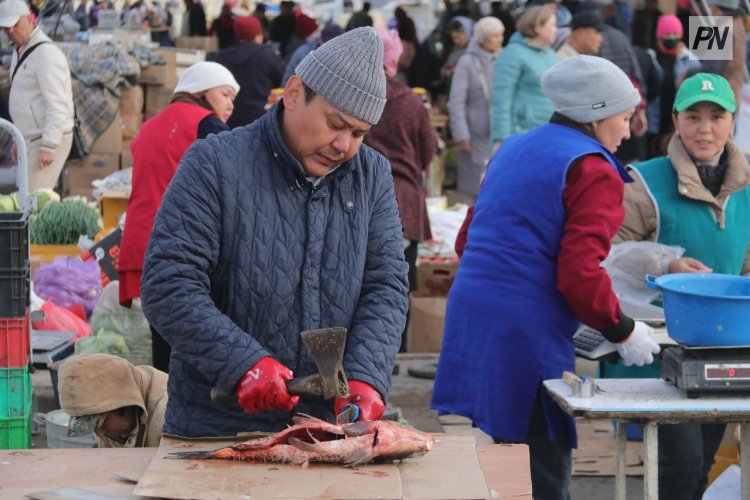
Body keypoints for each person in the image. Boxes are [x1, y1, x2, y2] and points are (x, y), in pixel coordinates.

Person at [140, 27, 409, 437]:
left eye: (359, 133)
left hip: (327, 432)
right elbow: (168, 285)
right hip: (217, 428)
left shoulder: (370, 175)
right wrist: (241, 363)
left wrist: (366, 375)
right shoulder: (215, 164)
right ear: (295, 92)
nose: (344, 146)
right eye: (336, 124)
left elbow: (386, 285)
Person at [431, 55, 660, 499]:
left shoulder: (513, 147)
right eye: (625, 117)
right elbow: (578, 274)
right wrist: (621, 328)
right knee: (544, 465)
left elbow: (468, 240)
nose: (629, 131)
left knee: (504, 450)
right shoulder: (592, 169)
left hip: (474, 315)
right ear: (597, 114)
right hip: (523, 332)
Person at [614, 72, 750, 500]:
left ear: (733, 120)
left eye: (716, 116)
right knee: (680, 464)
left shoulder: (746, 186)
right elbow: (609, 254)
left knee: (705, 463)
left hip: (727, 346)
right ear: (675, 119)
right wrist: (666, 264)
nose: (704, 129)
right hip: (660, 346)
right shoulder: (644, 182)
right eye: (693, 116)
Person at [118, 61, 239, 373]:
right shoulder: (206, 125)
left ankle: (163, 415)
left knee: (164, 350)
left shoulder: (149, 126)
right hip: (184, 248)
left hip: (141, 245)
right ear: (201, 91)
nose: (230, 105)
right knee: (194, 352)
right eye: (225, 94)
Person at [363, 27, 438, 352]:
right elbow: (429, 149)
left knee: (359, 283)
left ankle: (362, 352)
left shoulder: (349, 96)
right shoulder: (410, 101)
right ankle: (395, 350)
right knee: (397, 284)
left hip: (360, 198)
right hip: (403, 200)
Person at [1, 0, 74, 191]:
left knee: (34, 200)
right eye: (6, 28)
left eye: (15, 25)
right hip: (31, 138)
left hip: (44, 139)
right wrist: (19, 139)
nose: (10, 31)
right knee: (31, 199)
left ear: (29, 20)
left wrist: (49, 146)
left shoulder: (46, 54)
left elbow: (58, 104)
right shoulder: (20, 50)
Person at [448, 16, 504, 201]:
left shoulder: (504, 59)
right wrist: (461, 134)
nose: (499, 39)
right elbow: (456, 101)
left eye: (501, 35)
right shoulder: (467, 62)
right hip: (474, 135)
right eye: (494, 36)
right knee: (475, 188)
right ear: (483, 37)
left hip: (499, 131)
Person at [58, 354, 168, 448]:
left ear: (124, 403)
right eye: (93, 427)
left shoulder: (166, 416)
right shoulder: (113, 416)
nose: (100, 434)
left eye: (102, 422)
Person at [490, 4, 557, 151]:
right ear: (537, 27)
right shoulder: (512, 53)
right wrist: (501, 137)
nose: (556, 29)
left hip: (548, 132)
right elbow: (501, 98)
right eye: (552, 25)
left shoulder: (550, 54)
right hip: (521, 133)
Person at [214, 15, 285, 128]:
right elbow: (284, 79)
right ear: (258, 34)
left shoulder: (222, 56)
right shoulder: (267, 55)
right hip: (258, 121)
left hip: (226, 119)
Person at [281, 22, 343, 86]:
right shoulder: (303, 53)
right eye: (327, 45)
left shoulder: (342, 57)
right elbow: (286, 83)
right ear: (320, 39)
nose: (331, 50)